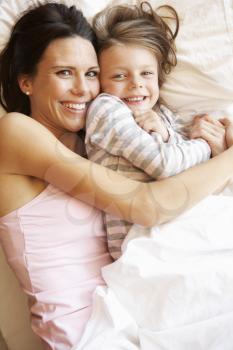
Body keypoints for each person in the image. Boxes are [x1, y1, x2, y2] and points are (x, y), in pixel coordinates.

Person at [0, 2, 233, 350]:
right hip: (87, 334)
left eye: (92, 74)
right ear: (26, 82)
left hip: (132, 309)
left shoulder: (90, 144)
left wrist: (190, 137)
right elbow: (146, 207)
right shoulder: (15, 133)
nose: (84, 89)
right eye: (64, 73)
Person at [85, 2, 227, 259]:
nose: (136, 84)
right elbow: (164, 164)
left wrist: (209, 144)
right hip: (141, 243)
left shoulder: (165, 115)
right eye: (119, 76)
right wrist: (205, 147)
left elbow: (201, 182)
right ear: (99, 79)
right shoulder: (106, 109)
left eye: (146, 73)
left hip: (179, 226)